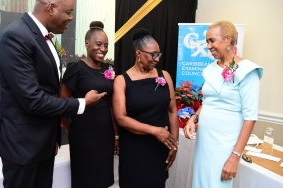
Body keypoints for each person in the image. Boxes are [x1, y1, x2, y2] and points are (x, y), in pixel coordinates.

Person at [0, 0, 106, 188]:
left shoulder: (45, 38)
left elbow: (48, 89)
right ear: (50, 8)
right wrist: (82, 103)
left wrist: (52, 138)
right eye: (68, 12)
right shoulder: (15, 36)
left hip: (42, 143)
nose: (71, 18)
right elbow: (32, 100)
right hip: (22, 146)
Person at [183, 20, 263, 188]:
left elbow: (250, 118)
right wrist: (194, 118)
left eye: (212, 40)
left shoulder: (247, 71)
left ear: (228, 39)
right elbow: (209, 101)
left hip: (225, 146)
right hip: (204, 142)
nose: (208, 46)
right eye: (207, 41)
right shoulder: (211, 69)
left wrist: (235, 156)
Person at [112, 28, 179, 188]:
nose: (157, 59)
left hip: (158, 148)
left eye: (159, 54)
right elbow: (121, 118)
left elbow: (172, 111)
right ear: (138, 53)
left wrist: (174, 144)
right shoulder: (122, 80)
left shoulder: (165, 76)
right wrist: (155, 131)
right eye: (153, 54)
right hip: (134, 148)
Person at [59, 21, 118, 188]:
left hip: (105, 136)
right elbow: (62, 103)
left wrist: (115, 135)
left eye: (106, 45)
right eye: (98, 44)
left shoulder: (109, 69)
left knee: (103, 180)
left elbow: (112, 105)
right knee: (85, 180)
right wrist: (71, 129)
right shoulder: (75, 68)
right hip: (83, 136)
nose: (103, 49)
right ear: (87, 44)